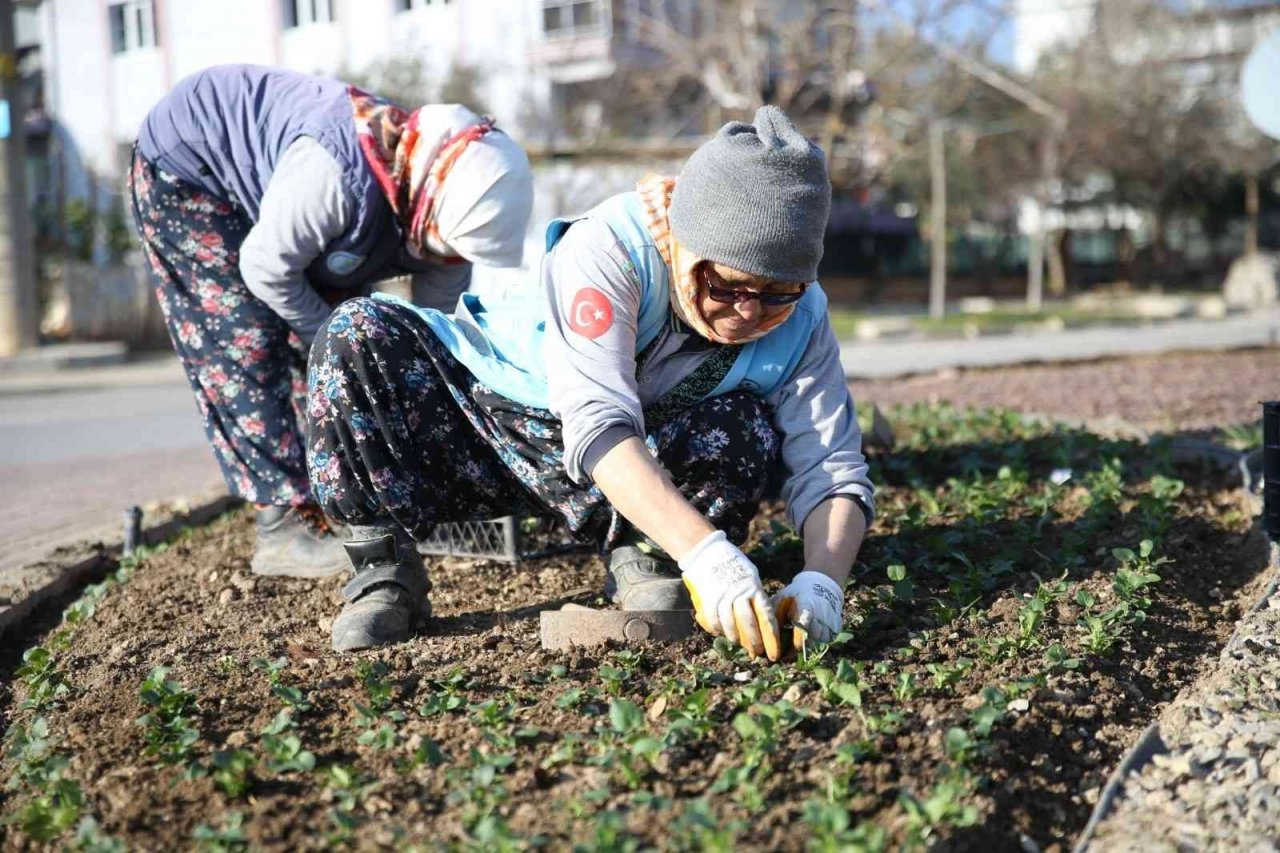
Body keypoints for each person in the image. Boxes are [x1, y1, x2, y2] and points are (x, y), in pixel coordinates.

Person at [305, 106, 874, 656]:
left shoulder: (803, 314)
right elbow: (598, 422)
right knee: (357, 332)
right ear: (688, 248)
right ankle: (383, 569)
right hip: (492, 419)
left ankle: (648, 553)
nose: (750, 312)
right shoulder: (611, 249)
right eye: (728, 286)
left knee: (739, 423)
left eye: (776, 293)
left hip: (632, 474)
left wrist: (823, 583)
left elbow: (831, 465)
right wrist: (707, 554)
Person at [128, 64, 534, 579]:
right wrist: (331, 346)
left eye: (456, 253)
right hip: (191, 166)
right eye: (443, 247)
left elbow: (437, 338)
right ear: (426, 203)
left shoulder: (444, 205)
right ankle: (279, 527)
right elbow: (266, 269)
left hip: (285, 202)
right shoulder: (336, 178)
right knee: (248, 341)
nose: (446, 259)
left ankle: (334, 501)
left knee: (349, 343)